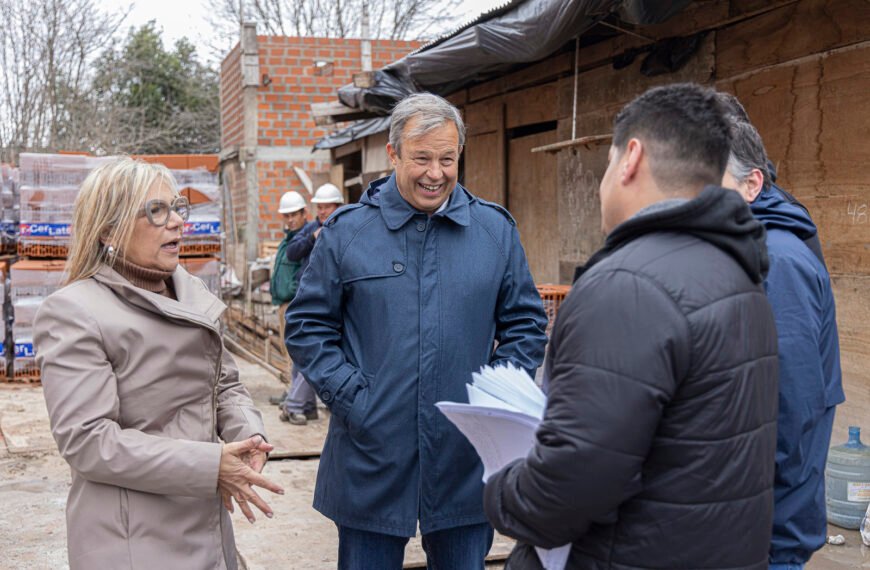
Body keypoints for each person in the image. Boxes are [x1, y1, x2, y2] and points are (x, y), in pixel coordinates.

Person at [483, 83, 779, 569]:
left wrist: (501, 492)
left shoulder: (628, 286)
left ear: (631, 159)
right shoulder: (739, 275)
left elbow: (570, 486)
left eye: (606, 164)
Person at [284, 92, 548, 569]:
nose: (436, 172)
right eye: (422, 158)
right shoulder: (349, 232)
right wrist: (354, 398)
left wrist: (489, 396)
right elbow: (307, 326)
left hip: (465, 454)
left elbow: (525, 324)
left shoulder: (493, 231)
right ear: (393, 154)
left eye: (447, 159)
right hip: (372, 451)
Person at [33, 157, 284, 570]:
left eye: (177, 208)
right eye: (156, 211)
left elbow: (224, 386)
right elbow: (88, 440)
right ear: (109, 230)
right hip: (133, 535)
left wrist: (250, 435)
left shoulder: (191, 291)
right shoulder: (74, 311)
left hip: (204, 519)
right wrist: (209, 465)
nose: (176, 222)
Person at [722, 119, 844, 570]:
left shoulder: (778, 264)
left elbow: (791, 411)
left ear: (752, 184)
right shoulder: (744, 246)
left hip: (768, 530)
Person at [280, 182, 345, 425]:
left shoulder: (346, 227)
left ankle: (296, 404)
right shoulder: (311, 228)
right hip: (307, 296)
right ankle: (306, 407)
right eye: (319, 207)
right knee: (302, 352)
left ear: (338, 205)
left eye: (327, 207)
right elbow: (292, 252)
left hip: (334, 298)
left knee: (313, 351)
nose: (323, 212)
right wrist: (311, 237)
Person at [268, 190, 308, 406]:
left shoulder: (305, 239)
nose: (290, 220)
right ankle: (290, 391)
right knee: (286, 349)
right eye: (287, 216)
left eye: (294, 215)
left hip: (294, 304)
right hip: (283, 304)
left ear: (304, 214)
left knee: (295, 352)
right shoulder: (288, 240)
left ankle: (295, 396)